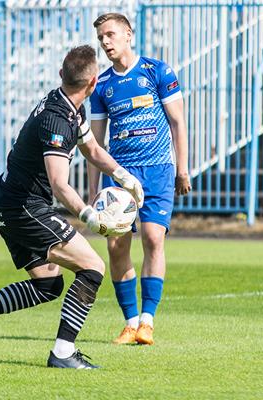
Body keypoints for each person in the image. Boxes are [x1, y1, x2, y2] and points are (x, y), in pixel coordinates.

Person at [0, 45, 144, 369]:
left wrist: (123, 175)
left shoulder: (69, 106)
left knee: (47, 285)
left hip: (9, 204)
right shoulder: (57, 120)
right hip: (23, 207)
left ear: (62, 75)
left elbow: (92, 149)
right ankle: (63, 352)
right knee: (93, 267)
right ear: (93, 82)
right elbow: (59, 184)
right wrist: (89, 216)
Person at [88, 13, 192, 346]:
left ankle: (147, 321)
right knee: (116, 245)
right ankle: (130, 323)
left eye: (110, 34)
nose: (106, 42)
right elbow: (94, 144)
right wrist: (93, 191)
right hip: (120, 175)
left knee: (153, 238)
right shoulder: (101, 86)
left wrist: (182, 169)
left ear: (128, 34)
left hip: (158, 170)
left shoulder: (157, 71)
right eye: (101, 38)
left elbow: (178, 122)